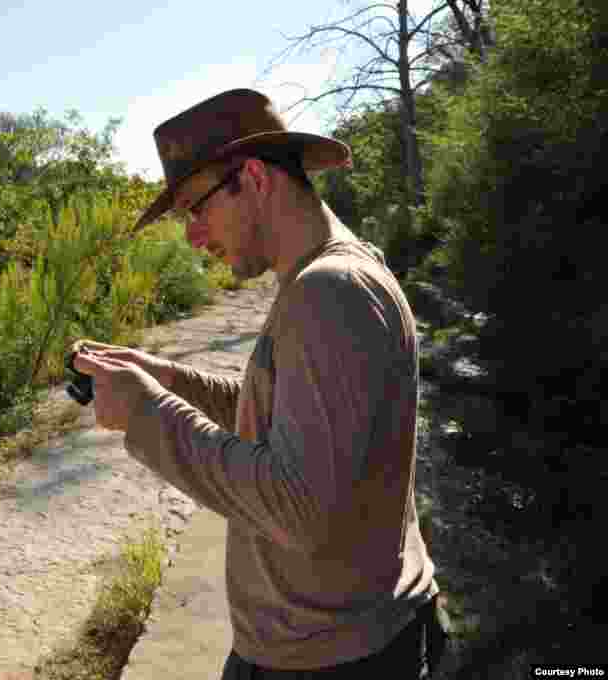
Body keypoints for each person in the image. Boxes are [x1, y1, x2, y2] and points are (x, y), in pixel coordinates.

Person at [71, 89, 448, 678]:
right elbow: (281, 417)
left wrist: (148, 415)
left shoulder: (331, 291)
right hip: (330, 645)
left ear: (254, 178)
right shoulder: (323, 276)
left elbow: (297, 507)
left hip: (333, 660)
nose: (193, 236)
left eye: (196, 208)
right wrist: (165, 379)